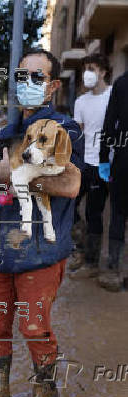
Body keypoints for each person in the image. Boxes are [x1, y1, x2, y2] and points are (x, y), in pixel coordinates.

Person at [0, 49, 84, 397]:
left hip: (40, 253)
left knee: (33, 326)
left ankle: (45, 393)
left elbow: (71, 183)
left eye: (35, 77)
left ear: (53, 86)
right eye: (19, 76)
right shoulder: (6, 133)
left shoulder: (63, 128)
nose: (25, 84)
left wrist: (14, 172)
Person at [71, 54, 112, 276]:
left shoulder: (113, 96)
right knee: (68, 205)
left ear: (103, 72)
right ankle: (80, 247)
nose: (88, 72)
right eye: (86, 68)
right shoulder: (81, 101)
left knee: (94, 212)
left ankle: (92, 263)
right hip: (83, 163)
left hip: (103, 164)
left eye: (93, 68)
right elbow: (78, 133)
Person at [98, 70, 128, 292]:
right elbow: (109, 122)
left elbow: (109, 124)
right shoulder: (121, 83)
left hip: (122, 160)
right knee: (117, 213)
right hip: (122, 161)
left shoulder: (121, 83)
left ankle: (113, 270)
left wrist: (103, 158)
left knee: (118, 213)